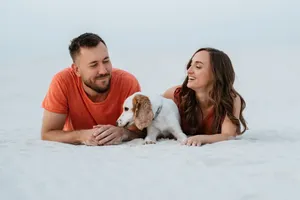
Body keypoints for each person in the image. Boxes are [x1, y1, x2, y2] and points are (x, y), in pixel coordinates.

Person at [41, 33, 145, 146]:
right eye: (94, 65)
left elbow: (142, 132)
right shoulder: (62, 82)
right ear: (77, 70)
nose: (103, 71)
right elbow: (48, 134)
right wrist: (81, 136)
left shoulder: (128, 83)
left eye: (106, 61)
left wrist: (123, 133)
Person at [163, 47, 248, 146]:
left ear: (216, 74)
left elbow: (228, 135)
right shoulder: (175, 95)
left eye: (198, 66)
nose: (189, 71)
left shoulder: (230, 99)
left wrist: (203, 138)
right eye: (190, 65)